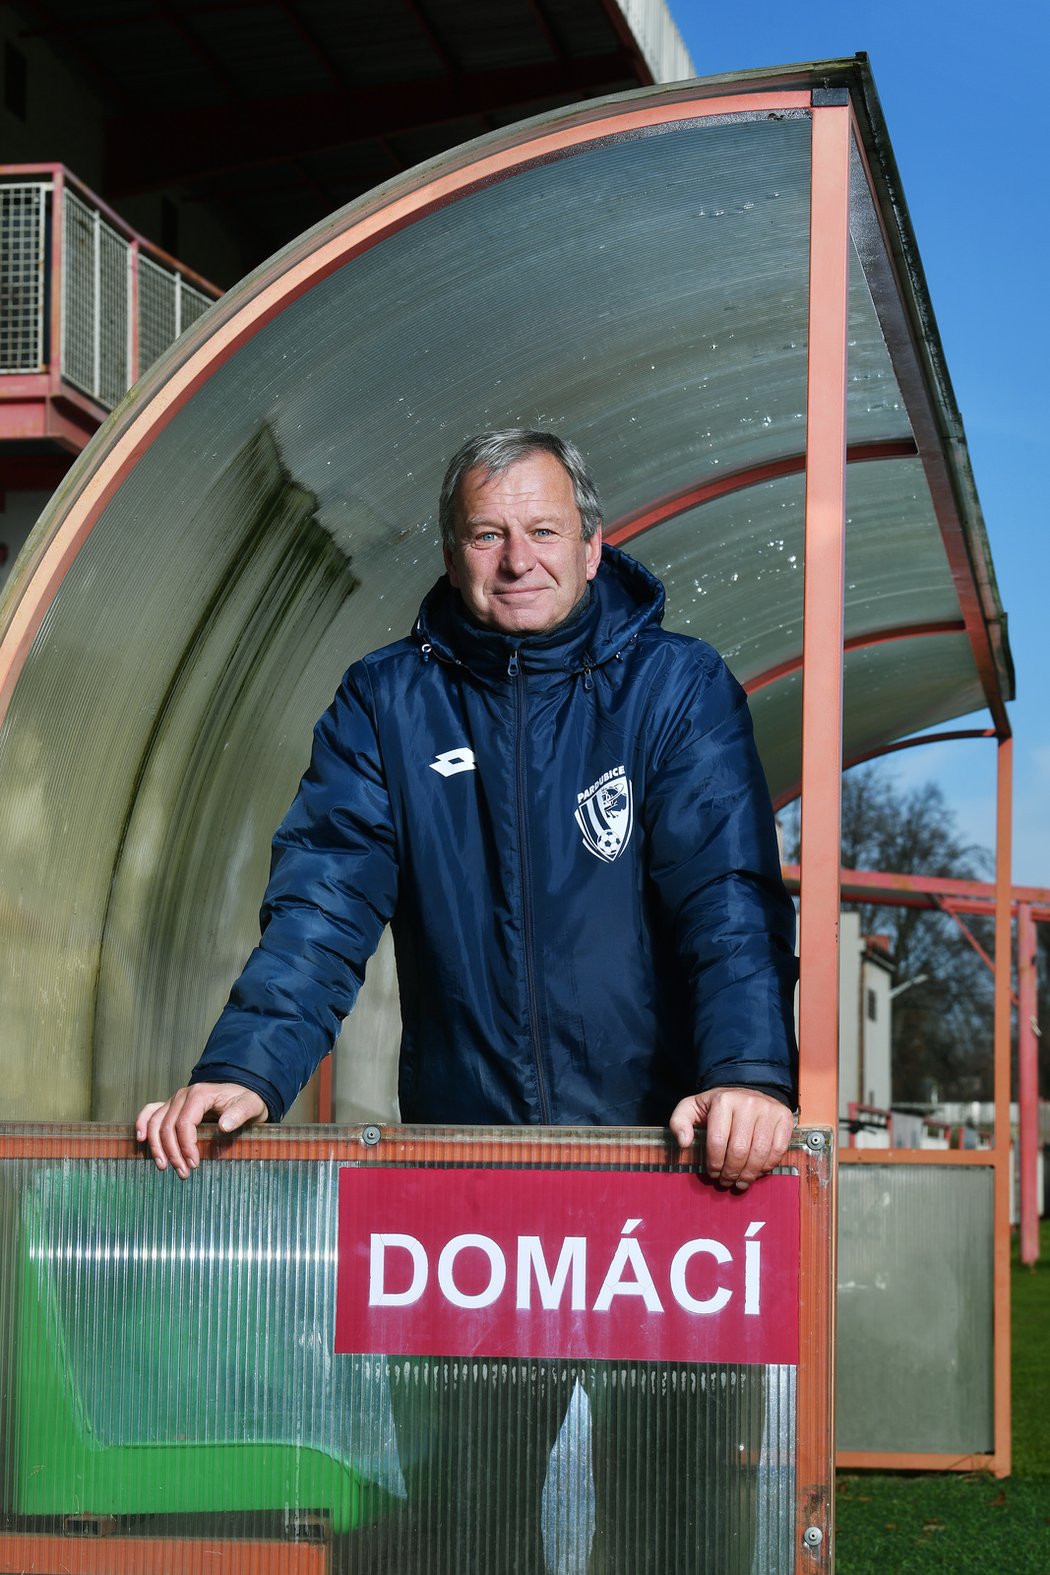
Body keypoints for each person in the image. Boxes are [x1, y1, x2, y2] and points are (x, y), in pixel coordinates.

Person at [137, 429, 798, 1571]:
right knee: (466, 1518)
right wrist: (246, 1067)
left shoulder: (675, 688)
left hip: (669, 1180)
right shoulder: (387, 704)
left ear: (595, 546)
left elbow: (726, 899)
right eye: (487, 534)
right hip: (474, 1195)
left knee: (675, 1520)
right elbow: (326, 901)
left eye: (543, 531)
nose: (516, 559)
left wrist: (745, 1076)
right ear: (451, 557)